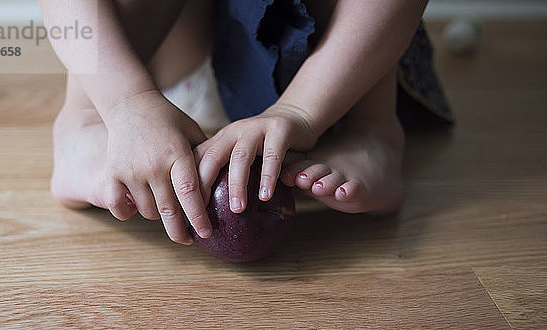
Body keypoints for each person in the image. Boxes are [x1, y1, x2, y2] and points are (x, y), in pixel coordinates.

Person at [39, 0, 452, 245]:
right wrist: (127, 102)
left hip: (332, 78)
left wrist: (298, 112)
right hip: (166, 53)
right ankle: (88, 119)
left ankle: (370, 127)